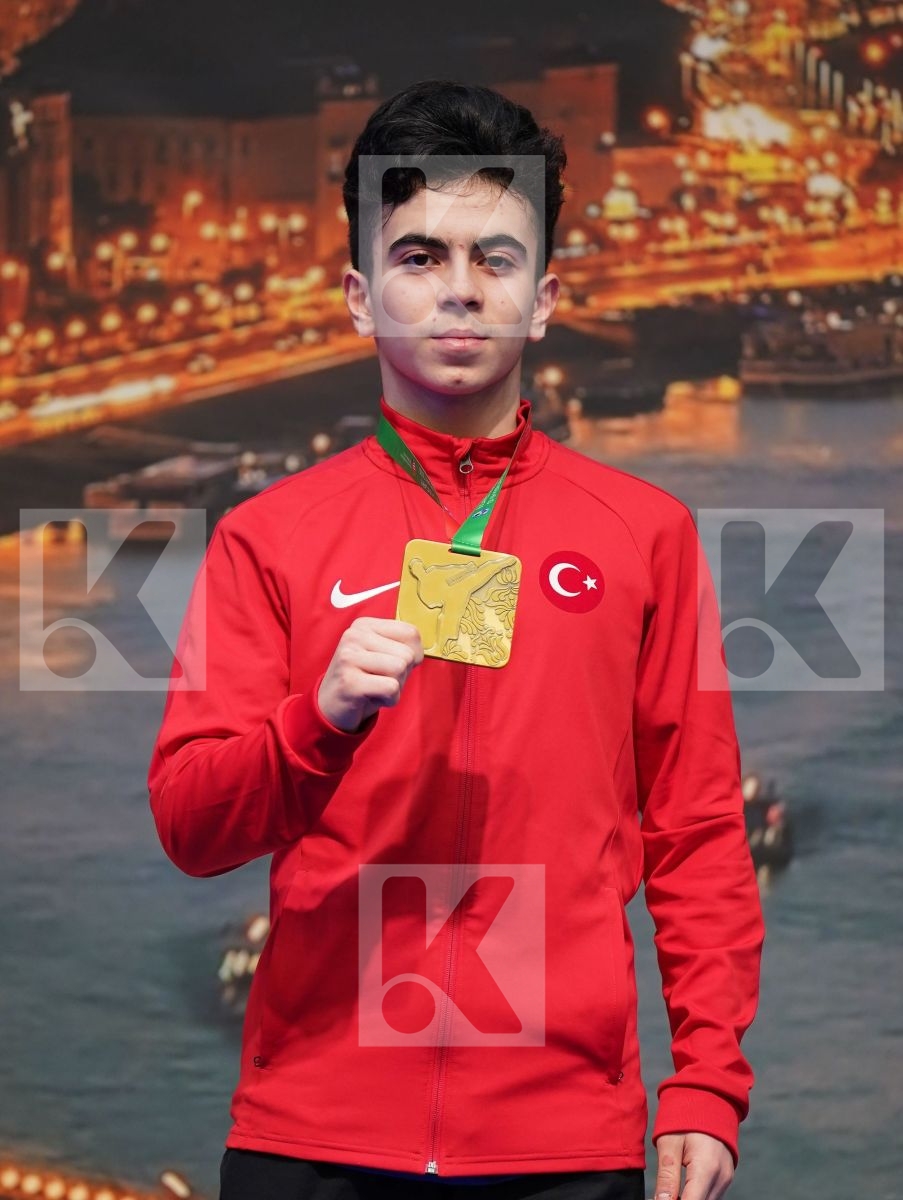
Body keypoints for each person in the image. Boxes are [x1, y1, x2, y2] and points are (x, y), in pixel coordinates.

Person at [147, 80, 765, 1200]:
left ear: (544, 299)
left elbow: (698, 833)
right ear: (358, 295)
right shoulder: (265, 537)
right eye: (420, 257)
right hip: (312, 1137)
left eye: (497, 259)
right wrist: (314, 722)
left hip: (565, 1146)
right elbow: (191, 827)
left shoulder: (646, 535)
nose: (460, 292)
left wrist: (708, 1082)